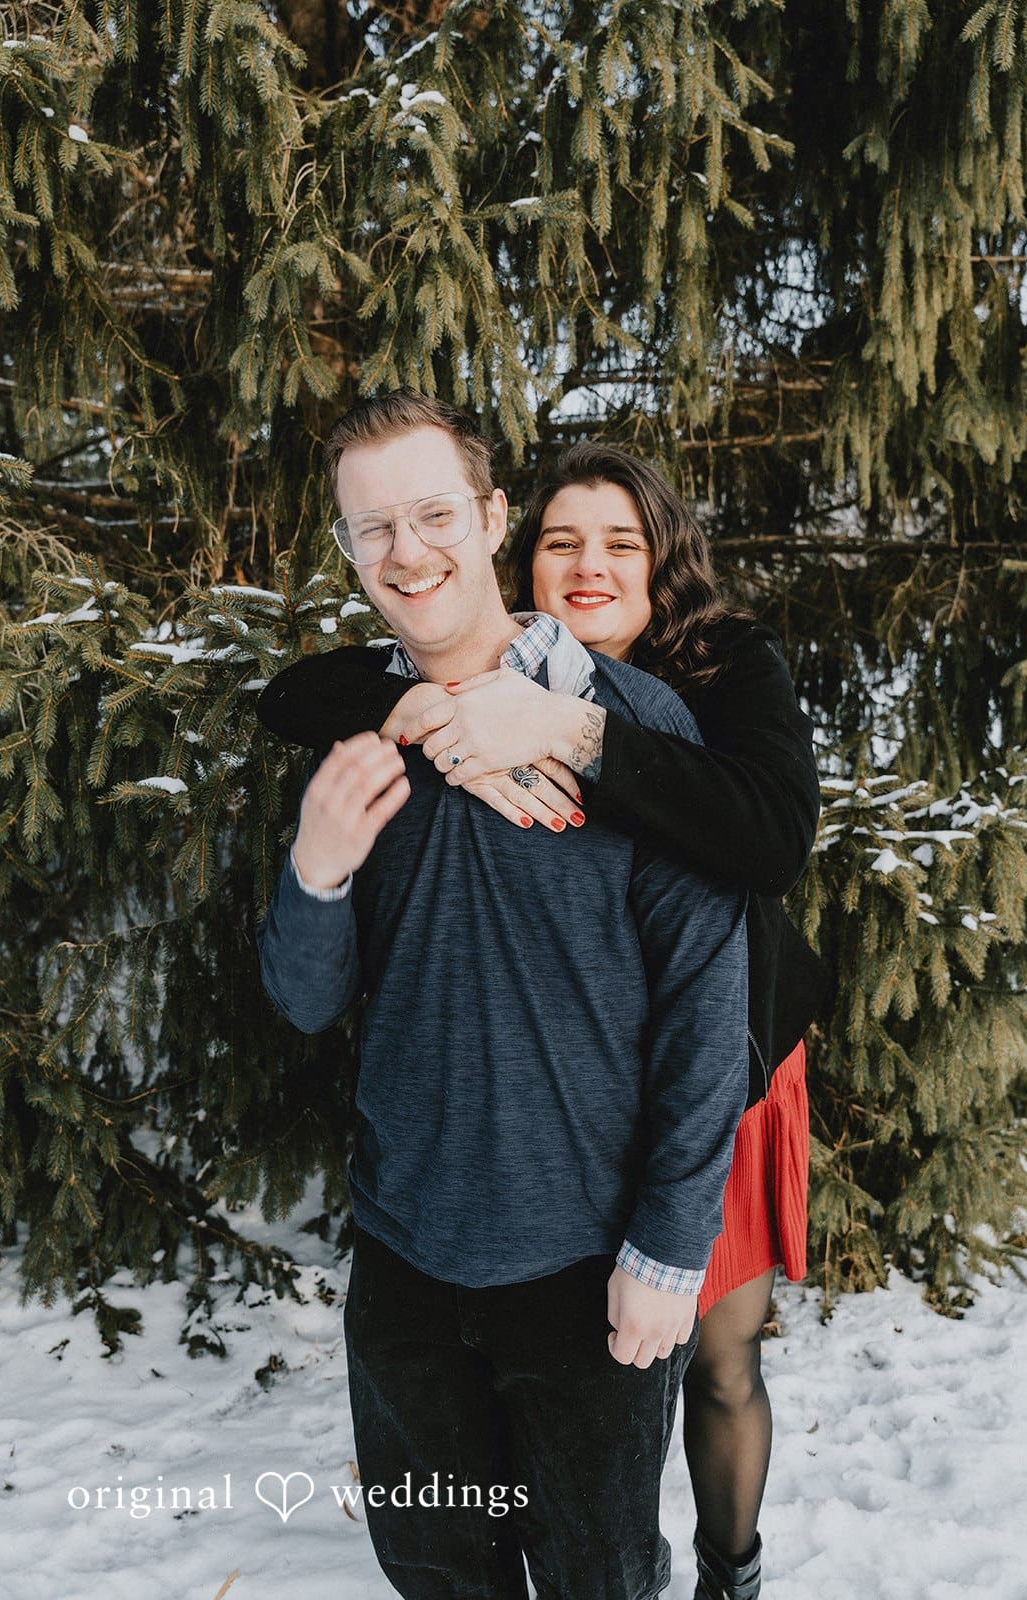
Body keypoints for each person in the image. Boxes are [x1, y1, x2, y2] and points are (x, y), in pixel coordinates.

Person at [260, 439, 828, 1600]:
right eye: (562, 542)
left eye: (619, 543)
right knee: (442, 1556)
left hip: (703, 1092)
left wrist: (569, 731)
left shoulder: (699, 685)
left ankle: (732, 1566)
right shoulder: (378, 719)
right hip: (423, 1232)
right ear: (522, 550)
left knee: (712, 1369)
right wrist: (372, 784)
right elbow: (301, 701)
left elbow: (757, 862)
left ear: (482, 519)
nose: (587, 565)